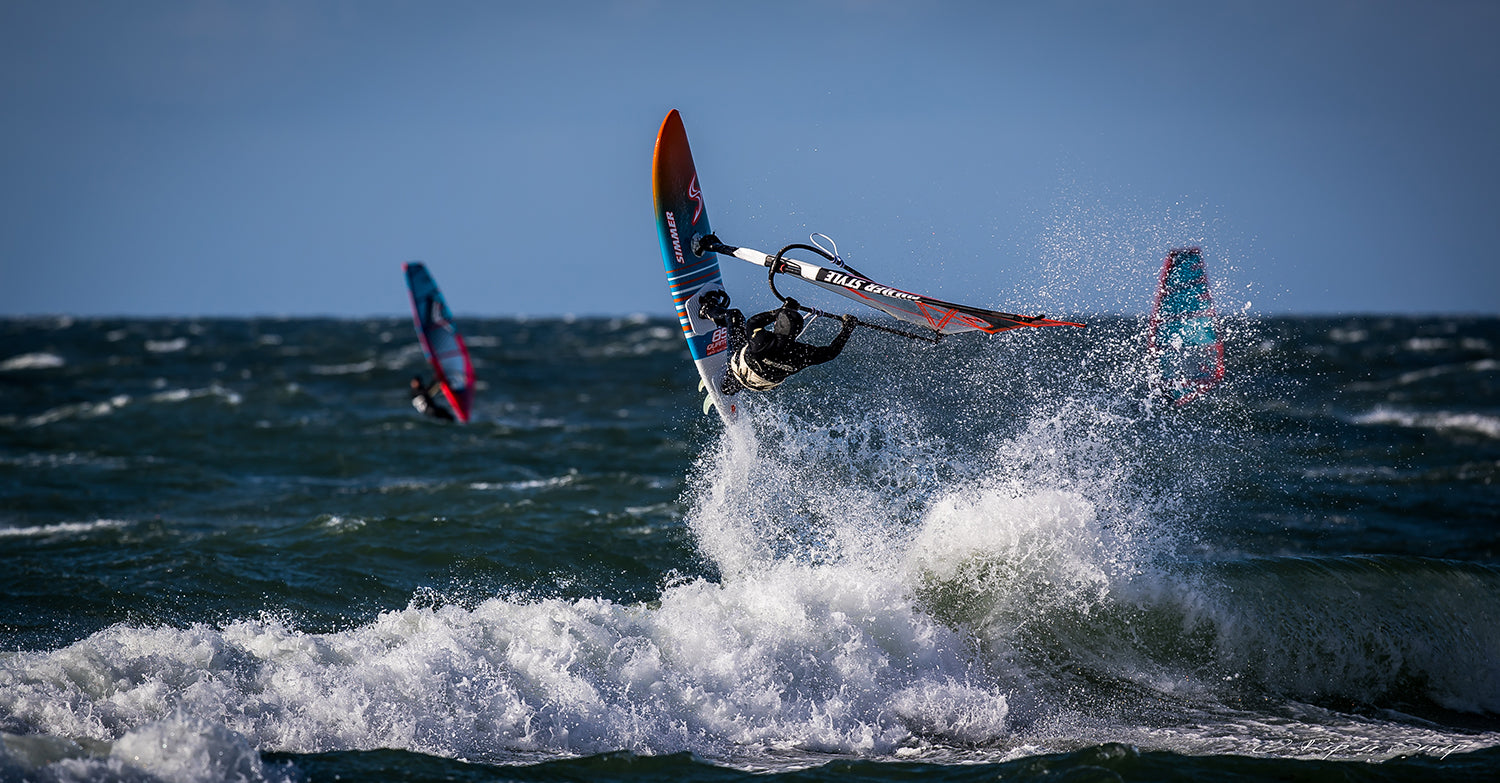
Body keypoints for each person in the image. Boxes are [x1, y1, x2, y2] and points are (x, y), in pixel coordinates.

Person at [698, 290, 857, 394]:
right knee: (759, 366)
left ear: (777, 325)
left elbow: (753, 322)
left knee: (734, 316)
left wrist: (779, 311)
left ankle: (707, 309)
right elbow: (831, 353)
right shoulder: (802, 352)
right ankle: (731, 386)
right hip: (761, 385)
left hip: (739, 369)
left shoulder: (763, 340)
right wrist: (848, 327)